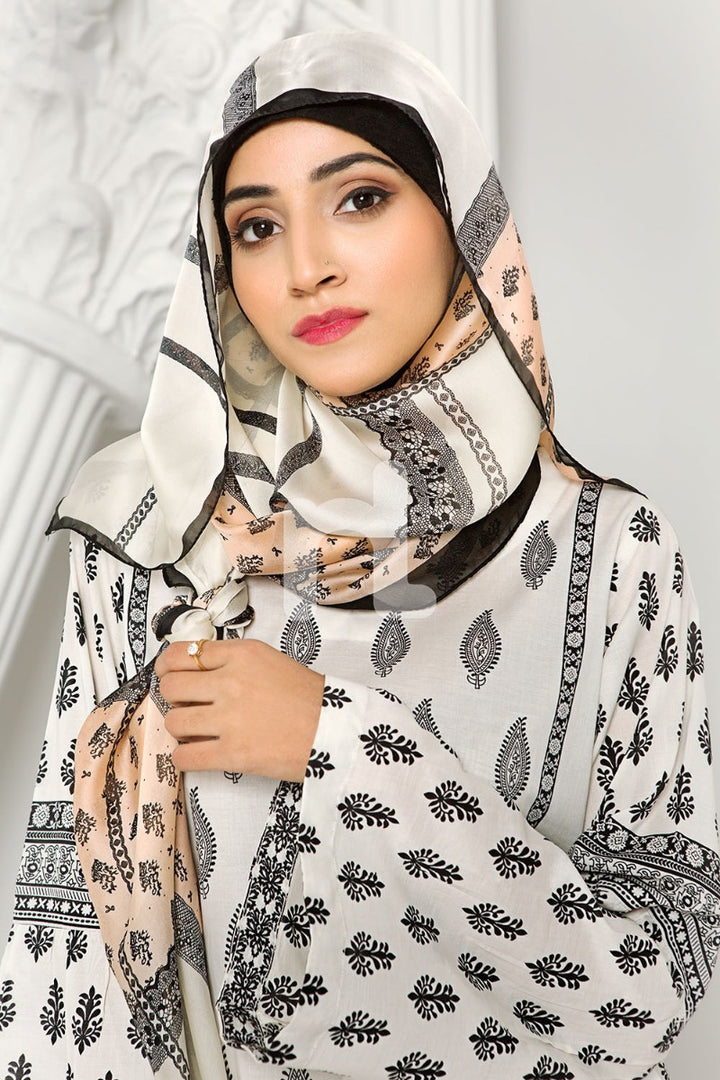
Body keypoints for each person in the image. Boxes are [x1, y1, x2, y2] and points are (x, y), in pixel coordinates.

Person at [0, 28, 717, 1080]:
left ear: (457, 216)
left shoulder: (612, 550)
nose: (307, 268)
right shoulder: (157, 531)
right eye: (256, 227)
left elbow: (648, 996)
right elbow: (66, 979)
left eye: (362, 198)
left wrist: (342, 748)